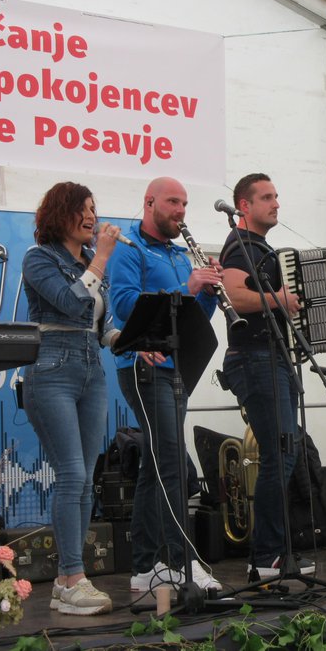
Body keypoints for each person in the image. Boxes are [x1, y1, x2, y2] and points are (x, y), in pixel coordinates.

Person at [108, 176, 223, 593]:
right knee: (173, 462)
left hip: (176, 366)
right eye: (173, 201)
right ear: (150, 202)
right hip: (142, 365)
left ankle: (144, 566)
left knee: (157, 468)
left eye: (185, 203)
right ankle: (181, 563)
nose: (180, 210)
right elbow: (124, 306)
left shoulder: (179, 254)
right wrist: (186, 285)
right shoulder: (128, 248)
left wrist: (208, 290)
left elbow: (191, 316)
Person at [21, 181, 120, 616]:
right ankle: (74, 573)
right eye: (84, 208)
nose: (92, 216)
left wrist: (138, 339)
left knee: (85, 476)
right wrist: (100, 257)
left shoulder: (91, 263)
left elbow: (101, 324)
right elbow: (69, 300)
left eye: (95, 209)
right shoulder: (39, 259)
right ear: (62, 212)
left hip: (91, 368)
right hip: (52, 368)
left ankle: (67, 581)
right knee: (71, 473)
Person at [219, 173, 322, 581]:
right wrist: (280, 298)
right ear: (244, 206)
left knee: (285, 452)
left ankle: (273, 553)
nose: (276, 203)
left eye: (277, 196)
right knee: (279, 455)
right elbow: (232, 295)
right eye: (266, 197)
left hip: (273, 358)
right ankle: (266, 557)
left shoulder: (262, 249)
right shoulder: (238, 247)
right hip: (255, 357)